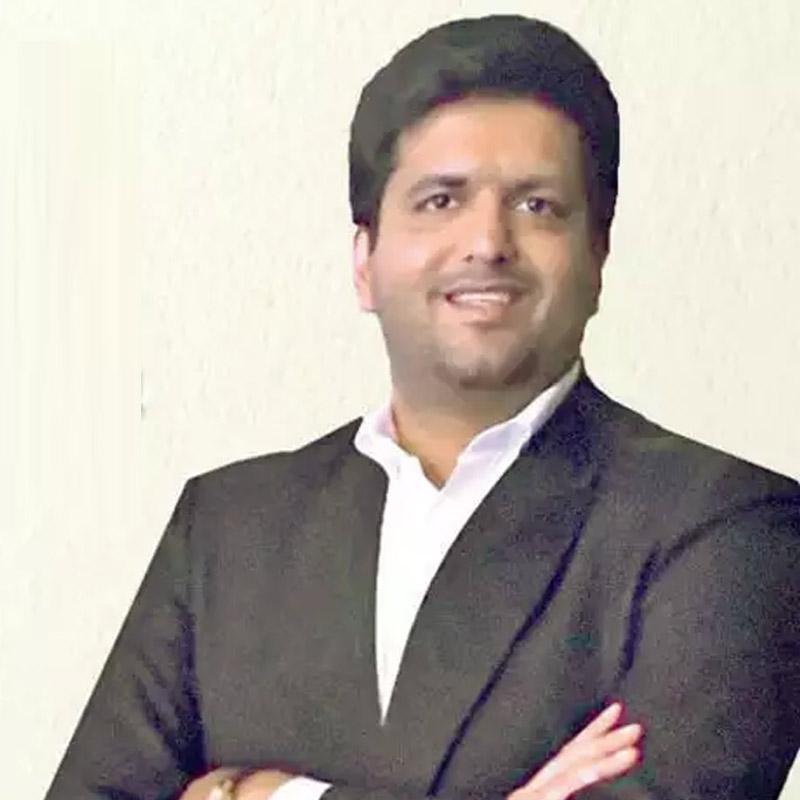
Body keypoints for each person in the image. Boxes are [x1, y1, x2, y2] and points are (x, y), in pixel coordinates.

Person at [44, 14, 799, 800]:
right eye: (440, 200)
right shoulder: (227, 530)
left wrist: (260, 793)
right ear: (363, 262)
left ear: (598, 259)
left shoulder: (730, 530)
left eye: (538, 206)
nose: (487, 242)